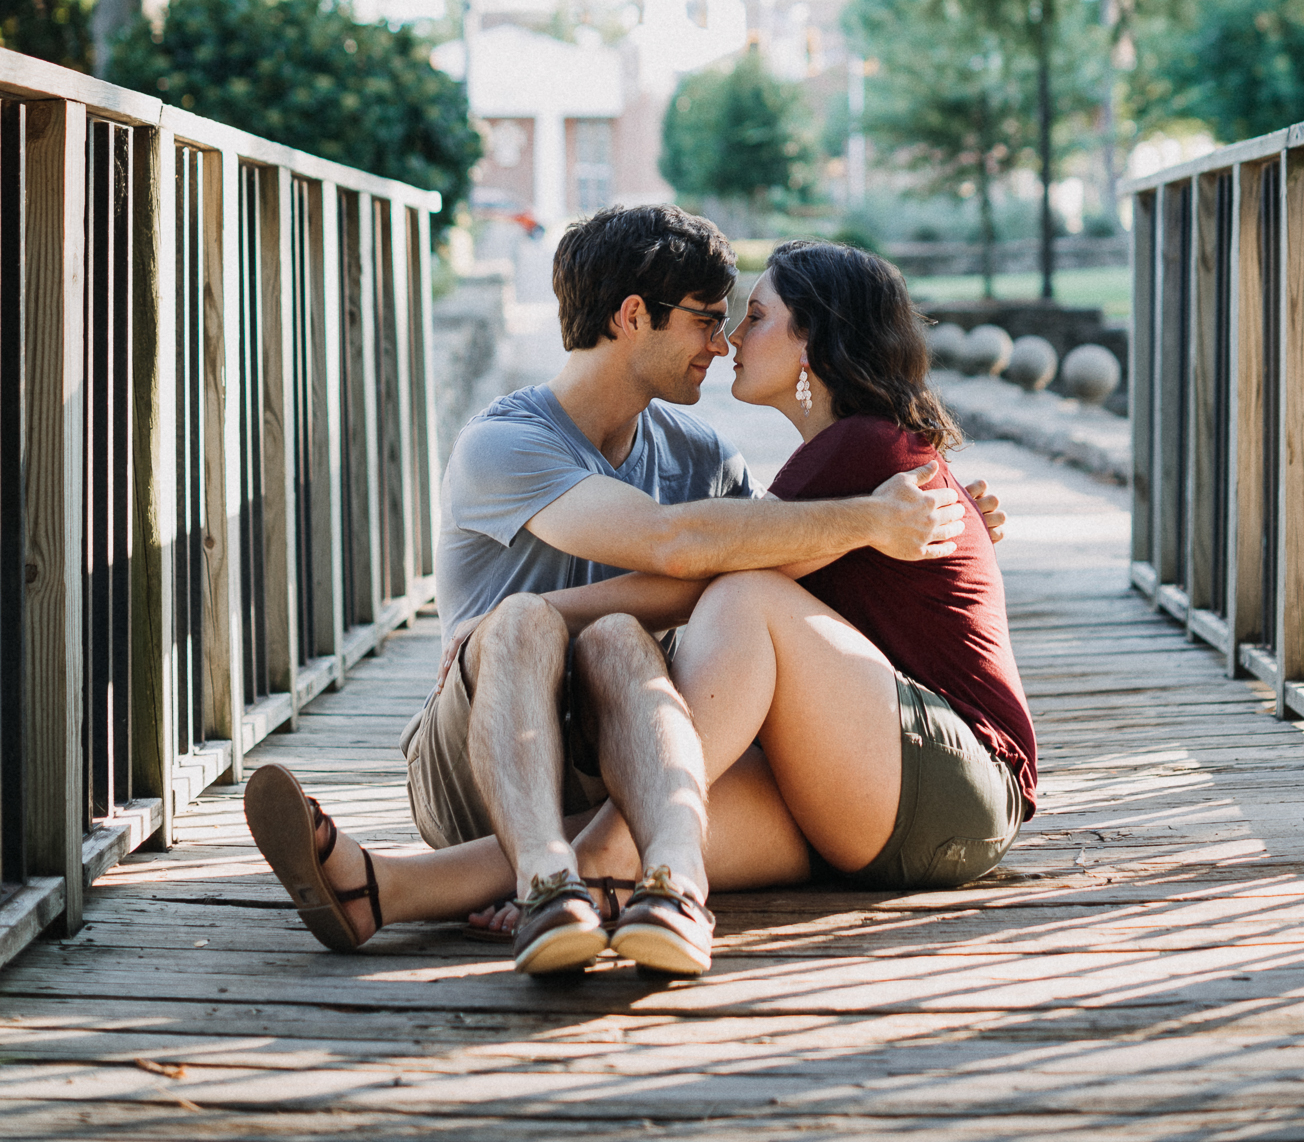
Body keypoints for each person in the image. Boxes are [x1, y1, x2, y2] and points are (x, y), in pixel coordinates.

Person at [244, 206, 999, 977]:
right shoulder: (504, 444)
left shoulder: (704, 457)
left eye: (744, 318)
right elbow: (677, 547)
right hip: (488, 751)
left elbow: (756, 555)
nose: (724, 340)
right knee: (524, 627)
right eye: (709, 319)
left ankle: (403, 888)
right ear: (634, 316)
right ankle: (557, 875)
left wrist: (938, 520)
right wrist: (871, 518)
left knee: (616, 641)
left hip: (625, 754)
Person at [554, 239, 1036, 906]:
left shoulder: (860, 446)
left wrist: (548, 613)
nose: (730, 339)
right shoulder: (859, 452)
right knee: (582, 837)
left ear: (812, 340)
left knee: (746, 594)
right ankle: (390, 888)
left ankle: (598, 867)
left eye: (755, 316)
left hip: (951, 777)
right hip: (901, 804)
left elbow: (697, 586)